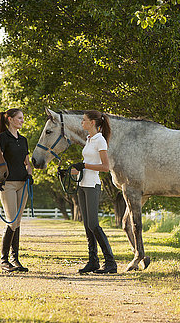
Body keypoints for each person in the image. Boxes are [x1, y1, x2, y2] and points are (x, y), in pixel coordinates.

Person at [71, 110, 116, 274]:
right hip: (83, 184)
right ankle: (93, 262)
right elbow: (87, 162)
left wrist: (84, 166)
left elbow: (105, 167)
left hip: (92, 185)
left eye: (84, 120)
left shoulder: (100, 140)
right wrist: (76, 169)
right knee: (87, 226)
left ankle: (110, 262)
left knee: (93, 224)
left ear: (92, 122)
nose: (81, 123)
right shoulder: (89, 139)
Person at [0, 108, 33, 272]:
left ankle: (15, 259)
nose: (22, 121)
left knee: (17, 222)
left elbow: (27, 162)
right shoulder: (2, 138)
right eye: (19, 118)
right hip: (8, 184)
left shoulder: (23, 140)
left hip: (23, 184)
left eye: (22, 118)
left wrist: (30, 173)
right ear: (10, 119)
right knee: (12, 220)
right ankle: (4, 260)